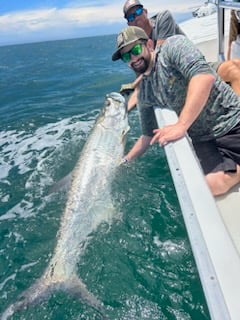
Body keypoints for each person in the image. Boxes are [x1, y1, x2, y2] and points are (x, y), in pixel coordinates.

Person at [112, 26, 240, 196]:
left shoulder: (173, 47)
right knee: (210, 186)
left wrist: (181, 124)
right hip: (203, 139)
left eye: (135, 50)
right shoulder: (146, 92)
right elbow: (147, 136)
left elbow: (203, 77)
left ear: (149, 44)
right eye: (126, 56)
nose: (133, 58)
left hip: (231, 121)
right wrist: (125, 161)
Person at [121, 0, 240, 111]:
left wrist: (135, 85)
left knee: (235, 67)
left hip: (191, 67)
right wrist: (126, 106)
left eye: (137, 12)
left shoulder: (163, 18)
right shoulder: (136, 47)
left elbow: (159, 57)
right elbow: (144, 78)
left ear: (145, 12)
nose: (136, 18)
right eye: (131, 17)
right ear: (129, 23)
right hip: (173, 83)